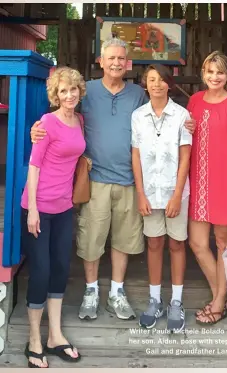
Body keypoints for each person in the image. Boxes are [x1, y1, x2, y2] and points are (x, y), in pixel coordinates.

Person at [30, 37, 196, 322]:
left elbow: (159, 113)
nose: (117, 63)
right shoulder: (87, 91)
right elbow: (63, 113)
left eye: (122, 58)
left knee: (124, 239)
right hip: (95, 179)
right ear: (101, 61)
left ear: (127, 63)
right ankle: (91, 291)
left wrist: (189, 122)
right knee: (91, 239)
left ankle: (117, 292)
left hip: (131, 181)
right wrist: (38, 128)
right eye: (111, 58)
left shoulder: (136, 94)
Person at [21, 67, 85, 367]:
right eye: (63, 91)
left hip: (63, 207)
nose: (69, 95)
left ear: (79, 91)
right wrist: (32, 209)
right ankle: (35, 338)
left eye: (73, 89)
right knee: (41, 273)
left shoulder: (79, 120)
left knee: (60, 269)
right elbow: (34, 167)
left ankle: (55, 335)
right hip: (39, 207)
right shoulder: (47, 122)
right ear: (55, 95)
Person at [187, 51, 227, 325]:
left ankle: (218, 301)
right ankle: (220, 295)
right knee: (197, 243)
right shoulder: (194, 101)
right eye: (210, 71)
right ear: (203, 73)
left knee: (223, 244)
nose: (214, 77)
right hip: (198, 181)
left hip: (226, 183)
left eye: (220, 72)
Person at [131, 65, 192, 332]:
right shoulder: (137, 116)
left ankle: (176, 302)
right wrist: (140, 193)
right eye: (151, 80)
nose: (156, 85)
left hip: (174, 192)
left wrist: (177, 195)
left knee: (177, 245)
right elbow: (135, 155)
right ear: (145, 84)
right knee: (154, 244)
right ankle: (155, 299)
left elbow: (186, 156)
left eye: (161, 80)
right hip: (149, 193)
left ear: (169, 84)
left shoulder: (182, 115)